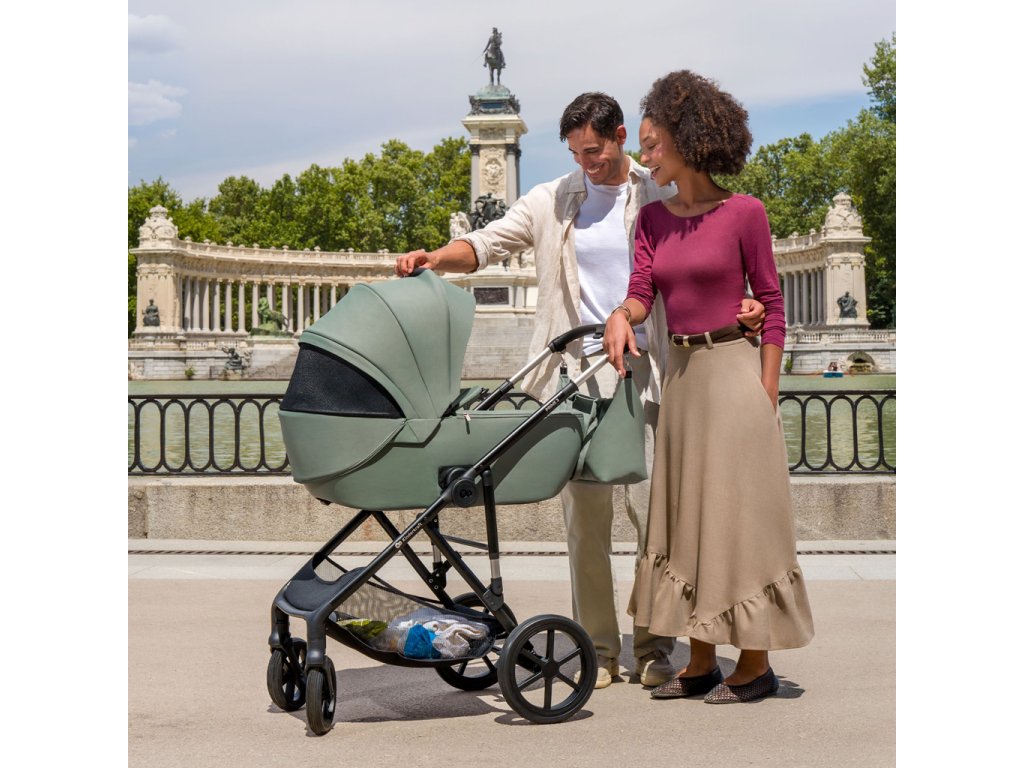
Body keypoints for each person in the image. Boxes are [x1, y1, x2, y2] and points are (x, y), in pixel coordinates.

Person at [396, 92, 764, 690]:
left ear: (620, 136)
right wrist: (437, 257)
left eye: (594, 151)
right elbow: (488, 243)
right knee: (585, 523)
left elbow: (704, 259)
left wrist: (743, 306)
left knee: (653, 517)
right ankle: (599, 647)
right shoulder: (552, 198)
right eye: (575, 153)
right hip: (573, 376)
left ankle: (654, 645)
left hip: (647, 370)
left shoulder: (658, 192)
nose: (586, 163)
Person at [604, 71, 814, 704]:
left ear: (687, 138)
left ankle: (755, 665)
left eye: (652, 145)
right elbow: (642, 293)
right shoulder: (651, 219)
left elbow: (772, 304)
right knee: (688, 518)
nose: (645, 158)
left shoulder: (746, 212)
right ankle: (699, 661)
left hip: (734, 376)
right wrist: (621, 315)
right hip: (683, 381)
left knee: (739, 520)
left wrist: (766, 392)